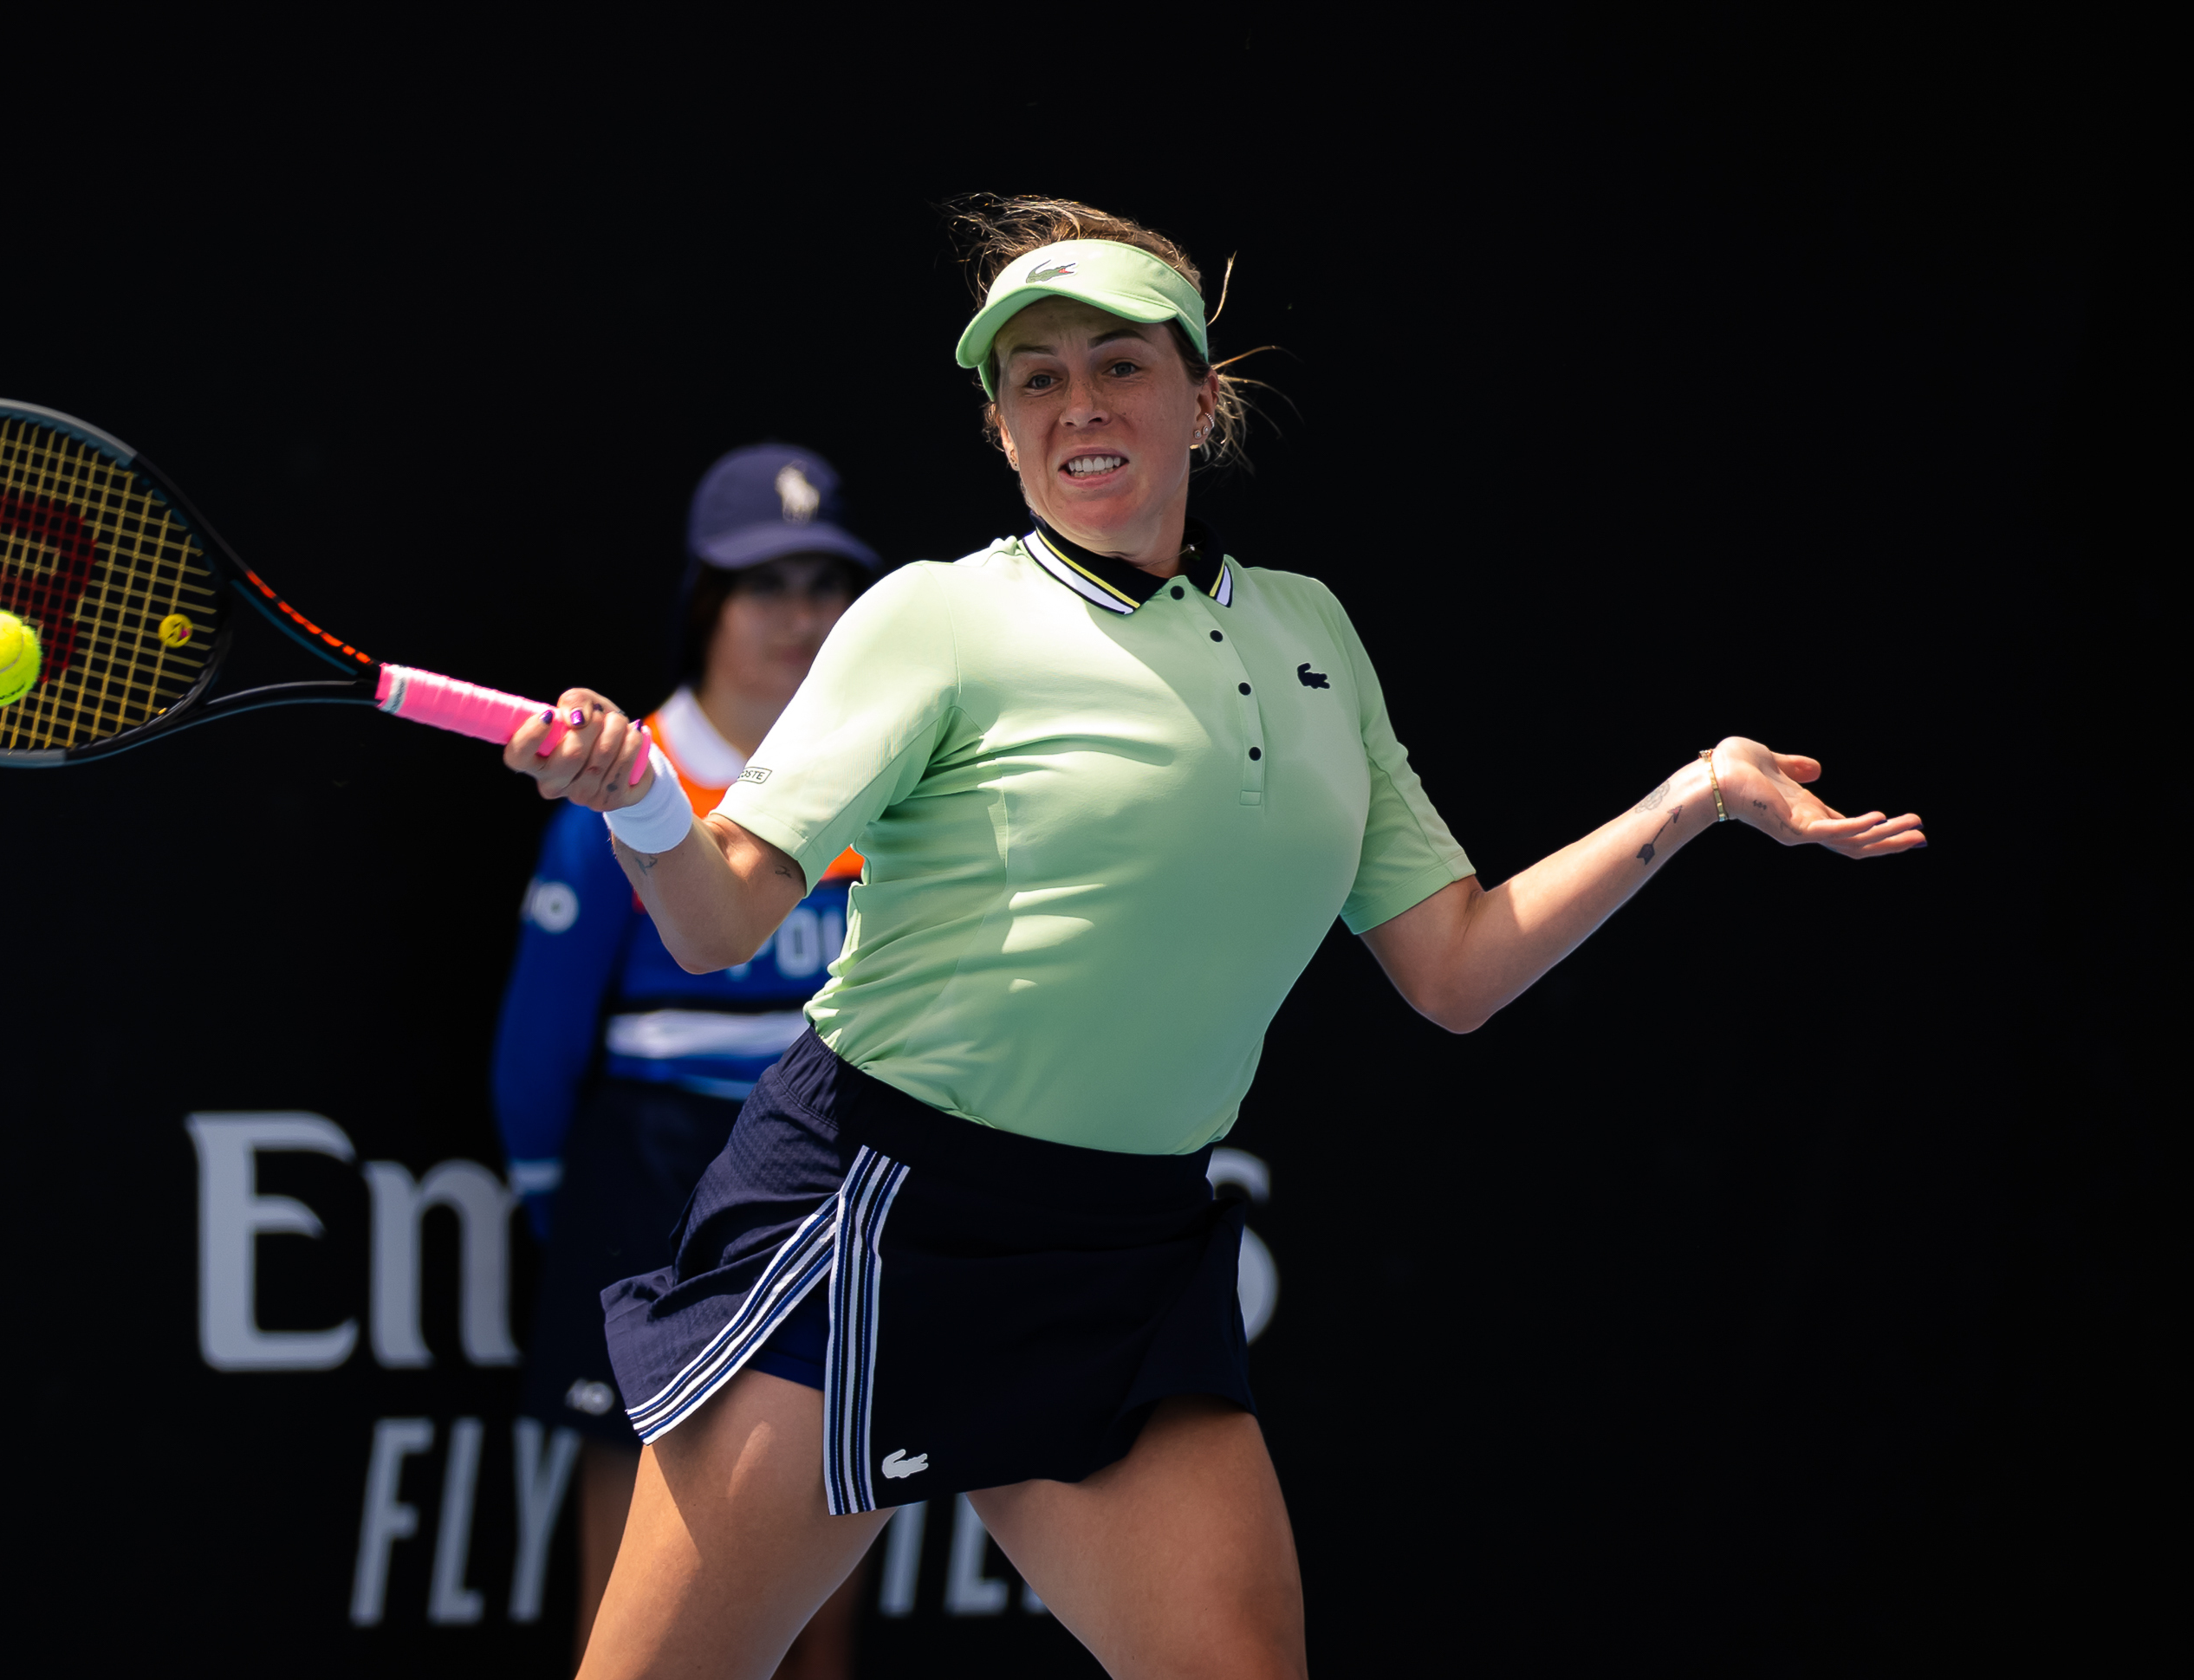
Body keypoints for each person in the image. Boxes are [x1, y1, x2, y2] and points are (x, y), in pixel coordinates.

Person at [503, 198, 1928, 1680]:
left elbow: (1456, 967)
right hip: (876, 1204)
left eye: (1117, 365)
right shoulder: (933, 618)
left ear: (1202, 397)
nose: (1078, 405)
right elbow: (722, 916)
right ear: (1002, 430)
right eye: (1036, 378)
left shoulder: (1314, 637)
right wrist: (643, 804)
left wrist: (1698, 797)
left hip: (1127, 1244)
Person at [493, 444, 879, 1674]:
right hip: (647, 1194)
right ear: (706, 602)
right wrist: (558, 1199)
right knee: (634, 1614)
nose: (801, 617)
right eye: (767, 585)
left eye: (825, 585)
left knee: (817, 1605)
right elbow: (539, 1043)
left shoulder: (887, 787)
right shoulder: (622, 780)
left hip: (834, 1198)